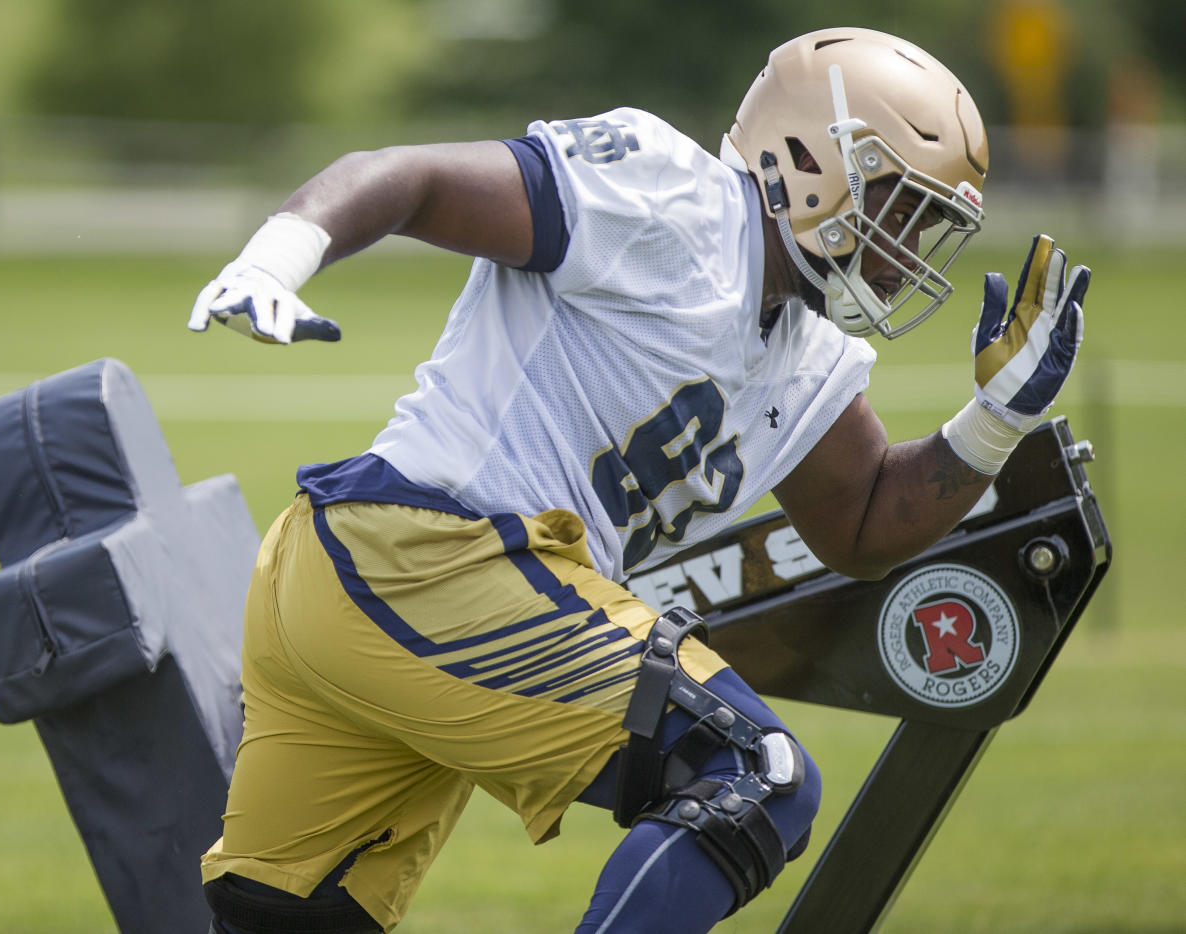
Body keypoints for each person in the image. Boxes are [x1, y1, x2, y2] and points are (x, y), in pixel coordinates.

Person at [188, 26, 1089, 934]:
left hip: (345, 580)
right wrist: (278, 257)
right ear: (813, 156)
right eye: (898, 207)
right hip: (428, 560)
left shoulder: (800, 347)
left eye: (926, 223)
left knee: (291, 919)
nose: (906, 250)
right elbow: (410, 175)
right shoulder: (671, 198)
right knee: (756, 777)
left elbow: (860, 525)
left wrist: (995, 421)